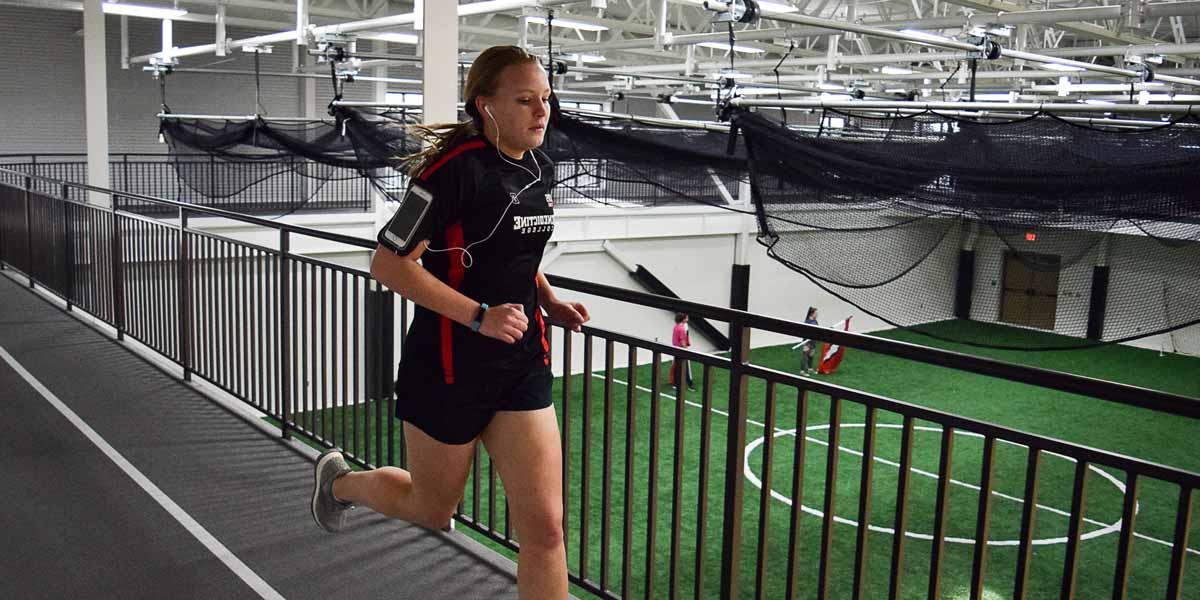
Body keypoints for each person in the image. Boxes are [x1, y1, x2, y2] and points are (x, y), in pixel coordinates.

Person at [309, 45, 588, 600]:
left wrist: (548, 300)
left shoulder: (540, 167)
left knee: (546, 531)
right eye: (526, 100)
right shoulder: (448, 175)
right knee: (433, 510)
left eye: (546, 99)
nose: (542, 112)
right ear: (485, 105)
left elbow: (514, 254)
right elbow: (388, 263)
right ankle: (339, 483)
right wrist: (479, 316)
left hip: (520, 365)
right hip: (448, 368)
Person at [671, 312, 695, 391]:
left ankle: (676, 384)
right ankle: (689, 385)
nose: (688, 319)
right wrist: (685, 349)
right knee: (686, 367)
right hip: (681, 350)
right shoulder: (682, 329)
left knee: (677, 367)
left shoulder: (676, 327)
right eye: (687, 318)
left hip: (675, 349)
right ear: (683, 319)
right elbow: (682, 340)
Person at [802, 306, 819, 375]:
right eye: (816, 313)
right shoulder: (807, 321)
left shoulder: (815, 321)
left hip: (813, 341)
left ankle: (810, 369)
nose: (817, 315)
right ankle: (802, 371)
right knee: (805, 356)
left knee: (811, 355)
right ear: (811, 314)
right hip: (807, 342)